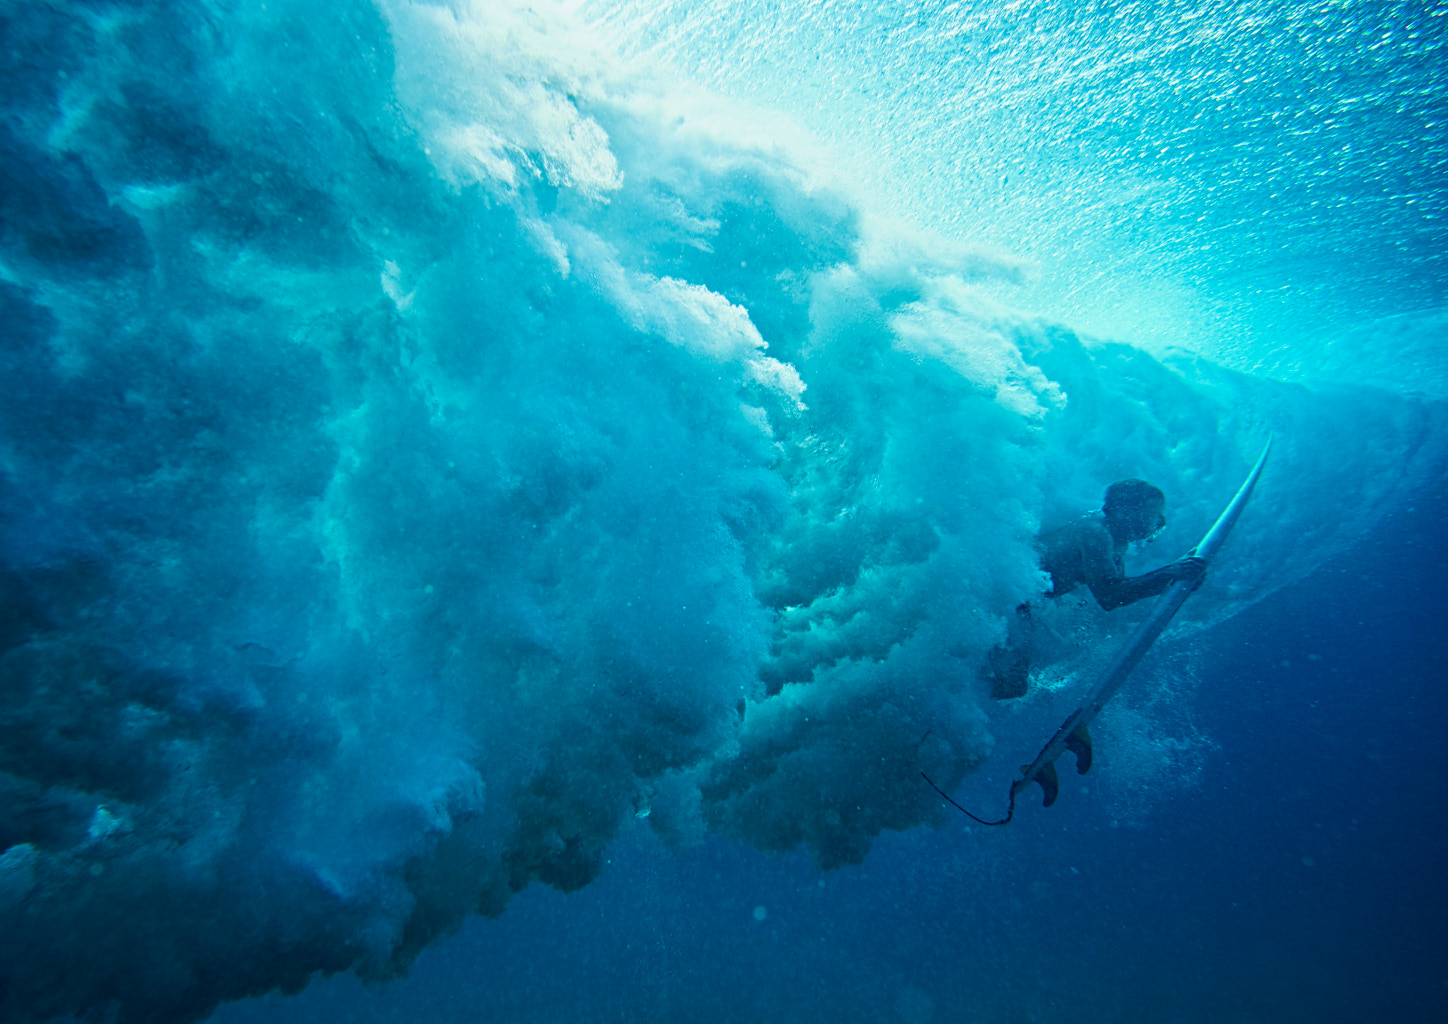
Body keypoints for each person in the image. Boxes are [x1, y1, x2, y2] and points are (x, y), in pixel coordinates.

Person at [988, 478, 1207, 700]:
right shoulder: (1095, 533)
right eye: (1153, 513)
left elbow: (1118, 593)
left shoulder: (1114, 539)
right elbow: (1109, 596)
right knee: (1006, 684)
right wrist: (1169, 574)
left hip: (1017, 608)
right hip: (1004, 605)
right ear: (1124, 510)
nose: (1160, 522)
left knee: (1010, 686)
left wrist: (1170, 579)